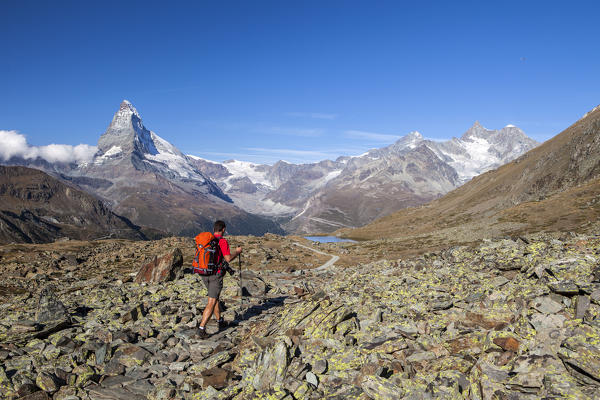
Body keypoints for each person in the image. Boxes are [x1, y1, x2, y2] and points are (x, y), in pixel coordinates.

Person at [198, 220, 242, 338]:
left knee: (215, 298)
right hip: (215, 275)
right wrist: (237, 253)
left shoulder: (207, 240)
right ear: (223, 229)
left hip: (204, 273)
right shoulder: (222, 241)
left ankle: (219, 321)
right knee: (211, 302)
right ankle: (201, 328)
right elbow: (227, 258)